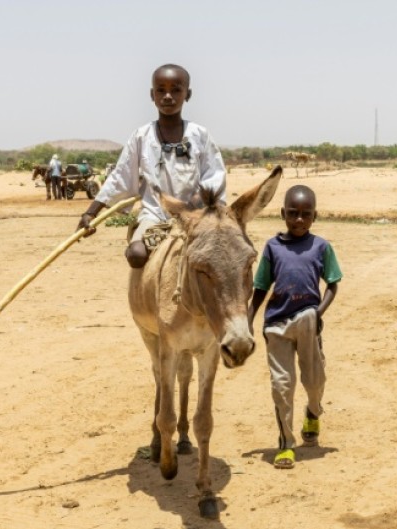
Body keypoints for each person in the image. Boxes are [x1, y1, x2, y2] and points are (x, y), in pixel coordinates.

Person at [75, 64, 227, 268]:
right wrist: (90, 213)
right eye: (161, 90)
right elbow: (121, 176)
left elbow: (214, 175)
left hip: (196, 214)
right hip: (155, 215)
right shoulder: (141, 136)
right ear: (152, 94)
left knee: (221, 256)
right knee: (136, 254)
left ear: (187, 94)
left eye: (176, 90)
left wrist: (195, 203)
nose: (167, 96)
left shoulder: (199, 135)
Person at [248, 185, 342, 470]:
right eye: (293, 214)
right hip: (276, 324)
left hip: (308, 322)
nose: (299, 220)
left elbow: (333, 285)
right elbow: (261, 288)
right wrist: (248, 320)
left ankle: (313, 412)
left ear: (314, 216)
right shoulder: (272, 248)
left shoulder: (321, 247)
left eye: (305, 215)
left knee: (315, 381)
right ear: (282, 214)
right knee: (282, 385)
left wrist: (318, 313)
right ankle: (286, 444)